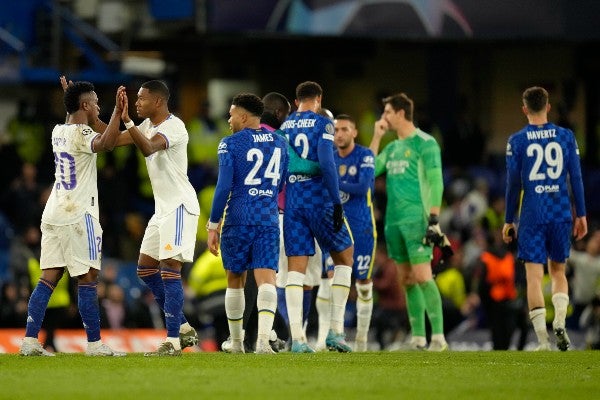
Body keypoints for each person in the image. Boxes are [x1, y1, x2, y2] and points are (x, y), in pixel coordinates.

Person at [19, 81, 126, 356]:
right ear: (86, 105)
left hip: (54, 212)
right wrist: (117, 112)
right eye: (96, 103)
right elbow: (107, 143)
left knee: (48, 278)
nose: (99, 107)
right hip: (79, 214)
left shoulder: (58, 130)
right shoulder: (82, 134)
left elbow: (81, 118)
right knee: (88, 277)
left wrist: (73, 97)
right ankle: (94, 344)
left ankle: (30, 341)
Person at [118, 80, 201, 356]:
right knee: (145, 269)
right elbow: (113, 140)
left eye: (141, 98)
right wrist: (88, 116)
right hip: (162, 209)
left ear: (158, 101)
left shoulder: (174, 127)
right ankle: (184, 326)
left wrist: (128, 121)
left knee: (169, 270)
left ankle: (173, 341)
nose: (137, 102)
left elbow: (149, 148)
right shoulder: (146, 126)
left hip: (179, 206)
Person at [502, 86, 587, 351]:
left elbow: (513, 185)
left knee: (534, 276)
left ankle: (542, 341)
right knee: (559, 270)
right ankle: (560, 321)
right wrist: (581, 214)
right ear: (548, 107)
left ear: (524, 109)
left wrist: (508, 219)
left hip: (533, 213)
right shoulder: (566, 136)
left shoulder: (517, 141)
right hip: (560, 210)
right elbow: (576, 178)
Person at [206, 93, 289, 354]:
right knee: (267, 279)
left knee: (235, 278)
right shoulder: (280, 143)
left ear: (242, 116)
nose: (229, 120)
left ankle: (238, 342)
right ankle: (264, 342)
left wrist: (212, 224)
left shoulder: (229, 144)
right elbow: (282, 182)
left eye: (231, 114)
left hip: (239, 217)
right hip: (267, 218)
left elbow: (223, 187)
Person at [368, 92, 449, 351]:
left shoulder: (425, 143)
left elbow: (436, 181)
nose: (384, 117)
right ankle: (418, 338)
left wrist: (434, 217)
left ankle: (438, 337)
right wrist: (378, 136)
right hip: (393, 222)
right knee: (407, 280)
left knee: (424, 277)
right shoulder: (391, 149)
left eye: (387, 113)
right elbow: (368, 170)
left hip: (417, 219)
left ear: (401, 113)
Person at [280, 81, 354, 353]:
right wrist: (336, 202)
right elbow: (327, 162)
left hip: (293, 202)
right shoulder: (323, 124)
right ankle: (335, 331)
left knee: (295, 270)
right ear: (319, 99)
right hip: (319, 200)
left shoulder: (284, 126)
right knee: (345, 257)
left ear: (296, 99)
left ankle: (298, 339)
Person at [329, 113, 376, 351]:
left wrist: (334, 183)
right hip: (335, 226)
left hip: (362, 227)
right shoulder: (330, 158)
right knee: (330, 279)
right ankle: (331, 335)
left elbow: (363, 187)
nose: (340, 134)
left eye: (345, 129)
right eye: (336, 129)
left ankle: (362, 340)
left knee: (363, 282)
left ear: (355, 132)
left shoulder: (364, 155)